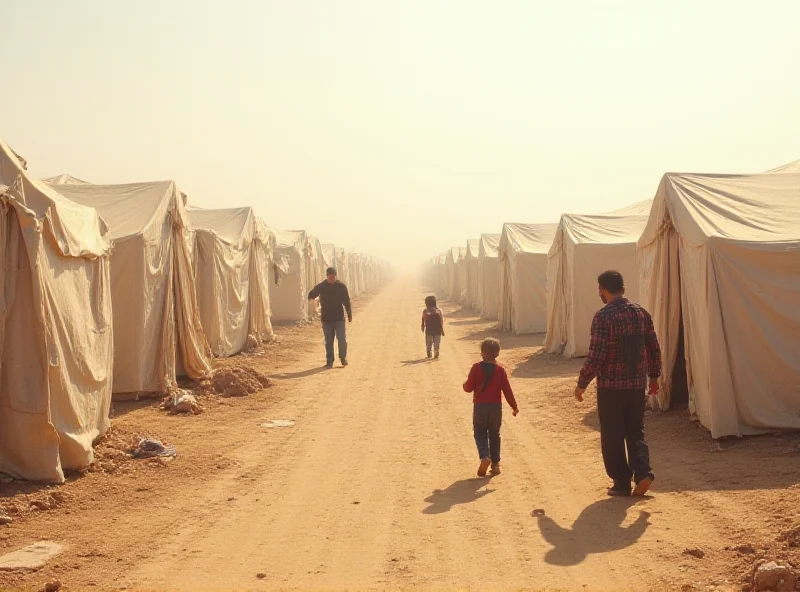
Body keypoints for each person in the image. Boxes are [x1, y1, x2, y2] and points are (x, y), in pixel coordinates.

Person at [573, 270, 662, 497]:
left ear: (603, 289)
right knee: (636, 430)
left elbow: (597, 355)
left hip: (611, 387)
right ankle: (642, 473)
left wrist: (582, 382)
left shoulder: (603, 317)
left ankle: (621, 482)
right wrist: (654, 377)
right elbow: (653, 347)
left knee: (612, 435)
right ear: (622, 288)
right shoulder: (641, 313)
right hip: (635, 385)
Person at [463, 338, 519, 477]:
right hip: (495, 407)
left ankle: (484, 457)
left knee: (480, 432)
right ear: (497, 353)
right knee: (495, 434)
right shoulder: (500, 370)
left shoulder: (476, 368)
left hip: (480, 406)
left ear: (482, 352)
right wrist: (514, 406)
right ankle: (495, 465)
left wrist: (465, 384)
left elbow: (468, 388)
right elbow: (507, 390)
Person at [308, 267, 352, 369]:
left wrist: (349, 313)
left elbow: (346, 301)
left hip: (339, 318)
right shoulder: (322, 286)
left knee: (342, 339)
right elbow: (312, 294)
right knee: (328, 341)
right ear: (327, 276)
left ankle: (342, 357)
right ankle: (329, 361)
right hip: (326, 319)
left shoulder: (341, 287)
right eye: (330, 276)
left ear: (336, 276)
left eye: (333, 276)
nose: (332, 278)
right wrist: (311, 296)